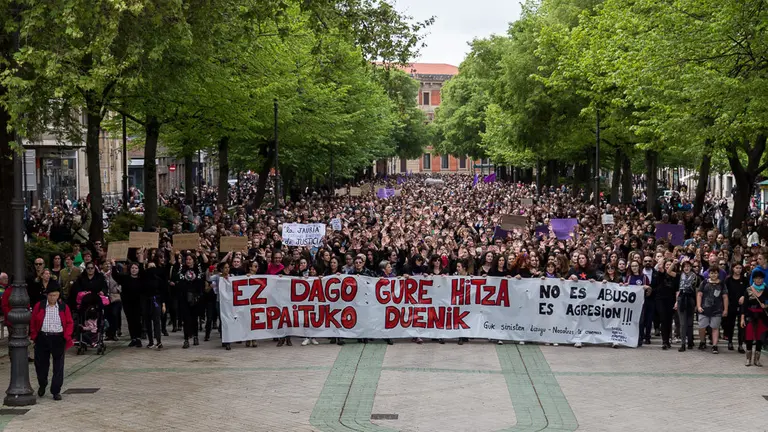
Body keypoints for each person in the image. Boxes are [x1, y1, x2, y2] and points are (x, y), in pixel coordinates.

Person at [29, 284, 74, 401]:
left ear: (58, 295)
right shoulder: (40, 306)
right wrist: (34, 336)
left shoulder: (63, 307)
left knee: (58, 366)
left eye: (55, 295)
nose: (53, 298)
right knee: (41, 365)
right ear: (46, 295)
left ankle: (56, 390)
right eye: (50, 295)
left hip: (58, 338)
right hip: (43, 338)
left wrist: (66, 336)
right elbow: (33, 322)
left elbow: (69, 322)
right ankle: (42, 383)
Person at [696, 264, 728, 354]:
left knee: (715, 328)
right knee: (702, 327)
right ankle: (702, 342)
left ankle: (714, 345)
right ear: (709, 274)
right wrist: (698, 306)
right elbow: (699, 294)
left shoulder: (722, 284)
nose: (714, 275)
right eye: (712, 273)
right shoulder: (704, 282)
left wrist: (725, 309)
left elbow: (725, 297)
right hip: (704, 309)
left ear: (718, 274)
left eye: (715, 273)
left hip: (717, 310)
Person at [741, 270, 768, 366]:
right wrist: (742, 318)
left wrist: (766, 305)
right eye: (757, 278)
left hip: (762, 317)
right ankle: (748, 359)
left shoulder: (766, 289)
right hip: (750, 316)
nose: (759, 280)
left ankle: (757, 360)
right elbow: (744, 305)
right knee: (749, 337)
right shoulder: (749, 289)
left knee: (760, 338)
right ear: (753, 279)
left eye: (761, 279)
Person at [674, 260, 698, 352]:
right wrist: (674, 263)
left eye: (688, 266)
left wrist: (696, 304)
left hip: (691, 300)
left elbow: (696, 290)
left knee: (690, 323)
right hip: (681, 299)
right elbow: (669, 272)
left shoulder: (695, 277)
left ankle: (690, 342)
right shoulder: (680, 276)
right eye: (684, 266)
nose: (686, 268)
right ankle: (683, 344)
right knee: (682, 323)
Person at [724, 262, 747, 353]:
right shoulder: (728, 279)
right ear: (733, 268)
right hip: (731, 305)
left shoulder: (744, 279)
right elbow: (725, 292)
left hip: (742, 305)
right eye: (736, 268)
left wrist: (744, 297)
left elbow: (748, 290)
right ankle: (730, 342)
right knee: (730, 324)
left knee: (741, 325)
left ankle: (740, 344)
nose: (738, 269)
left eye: (740, 268)